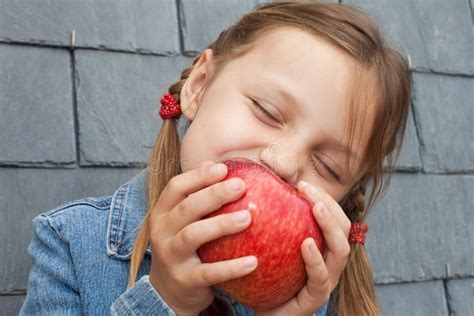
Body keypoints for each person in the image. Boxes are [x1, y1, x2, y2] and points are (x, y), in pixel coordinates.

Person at [20, 1, 411, 315]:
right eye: (267, 111)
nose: (286, 162)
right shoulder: (70, 244)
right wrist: (164, 302)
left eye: (328, 167)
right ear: (200, 85)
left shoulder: (323, 292)